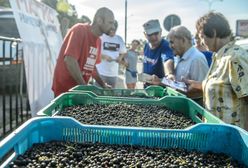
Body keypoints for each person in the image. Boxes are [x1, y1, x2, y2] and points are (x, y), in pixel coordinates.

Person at [185, 12, 248, 130]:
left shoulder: (234, 58)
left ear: (213, 32)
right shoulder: (218, 57)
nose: (202, 42)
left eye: (202, 36)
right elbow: (223, 89)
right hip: (217, 135)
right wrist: (197, 85)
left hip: (232, 138)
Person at [52, 7, 115, 97]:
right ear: (99, 20)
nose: (113, 26)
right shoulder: (80, 30)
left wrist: (103, 85)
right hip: (65, 91)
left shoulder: (99, 41)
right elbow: (70, 60)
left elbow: (92, 67)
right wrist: (84, 87)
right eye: (110, 22)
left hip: (80, 91)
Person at [150, 25, 209, 104]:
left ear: (183, 40)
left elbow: (201, 91)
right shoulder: (179, 57)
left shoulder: (197, 59)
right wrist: (160, 82)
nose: (170, 46)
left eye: (172, 42)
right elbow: (179, 85)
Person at [142, 19, 174, 88]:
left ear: (161, 31)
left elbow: (167, 60)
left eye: (156, 33)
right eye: (150, 34)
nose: (154, 37)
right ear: (145, 34)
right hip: (147, 87)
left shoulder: (166, 46)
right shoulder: (146, 46)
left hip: (160, 89)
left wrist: (169, 74)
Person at [96, 20, 127, 88]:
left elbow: (123, 52)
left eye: (114, 30)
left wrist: (120, 57)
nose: (112, 32)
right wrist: (104, 57)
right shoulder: (101, 37)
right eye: (110, 30)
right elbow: (94, 52)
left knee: (111, 94)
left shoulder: (119, 39)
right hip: (100, 73)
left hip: (113, 74)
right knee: (98, 93)